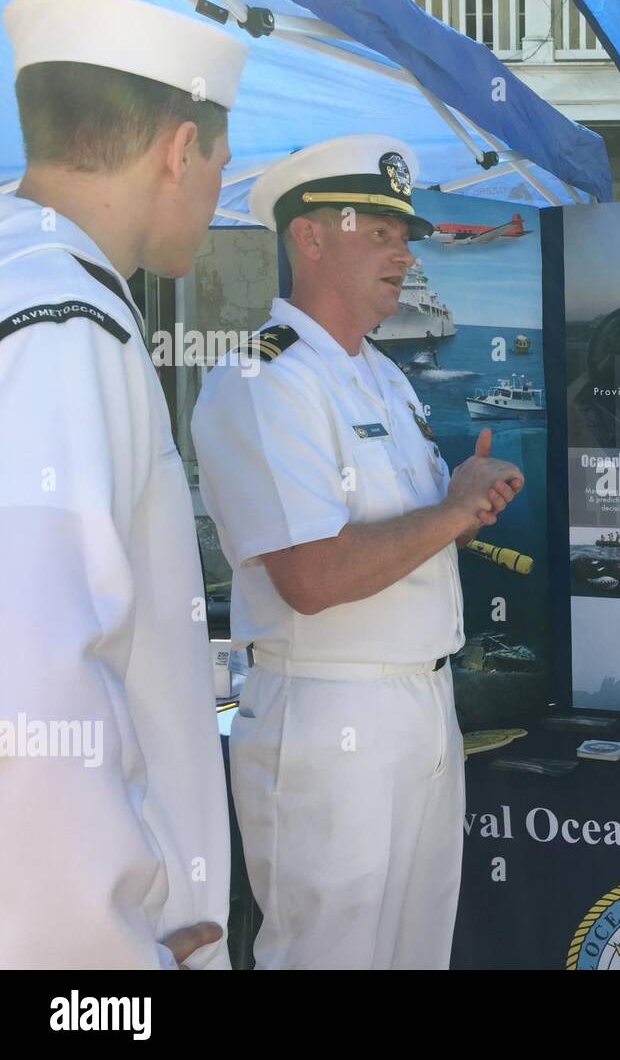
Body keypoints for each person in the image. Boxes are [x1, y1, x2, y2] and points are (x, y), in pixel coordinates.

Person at [191, 135, 524, 969]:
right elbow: (313, 575)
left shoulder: (384, 376)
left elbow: (404, 532)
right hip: (331, 716)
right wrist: (451, 512)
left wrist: (462, 502)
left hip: (421, 705)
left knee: (417, 953)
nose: (404, 251)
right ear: (309, 236)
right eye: (379, 230)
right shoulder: (264, 378)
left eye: (402, 233)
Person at [0, 0, 246, 969]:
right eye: (221, 166)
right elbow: (31, 694)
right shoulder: (65, 320)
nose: (218, 194)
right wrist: (109, 961)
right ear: (180, 149)